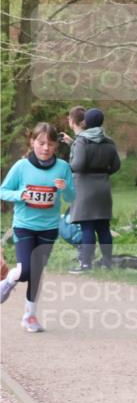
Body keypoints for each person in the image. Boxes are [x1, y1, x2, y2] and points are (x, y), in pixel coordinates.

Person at [0, 123, 76, 332]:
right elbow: (2, 191)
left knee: (37, 272)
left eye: (50, 144)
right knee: (24, 271)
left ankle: (29, 316)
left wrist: (66, 188)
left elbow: (72, 197)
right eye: (41, 143)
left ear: (55, 147)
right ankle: (7, 282)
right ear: (32, 142)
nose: (45, 148)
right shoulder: (21, 166)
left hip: (49, 228)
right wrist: (20, 195)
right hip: (24, 226)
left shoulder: (62, 167)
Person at [66, 107, 120, 273]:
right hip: (103, 187)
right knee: (103, 226)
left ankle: (85, 264)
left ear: (86, 122)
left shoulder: (82, 140)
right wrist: (103, 173)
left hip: (84, 188)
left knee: (87, 226)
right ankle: (107, 263)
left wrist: (67, 167)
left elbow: (79, 164)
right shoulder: (109, 141)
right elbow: (116, 165)